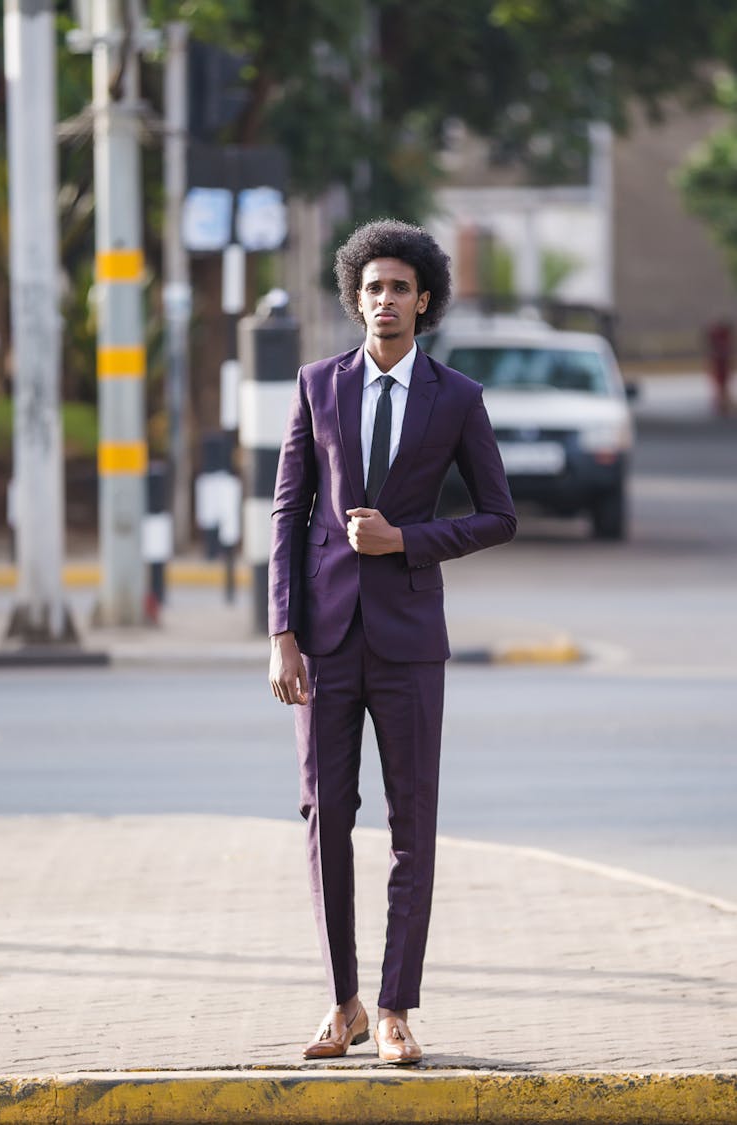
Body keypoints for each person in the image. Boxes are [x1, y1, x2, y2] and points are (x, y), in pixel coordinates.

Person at [268, 219, 516, 1064]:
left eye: (400, 287)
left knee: (414, 823)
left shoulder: (458, 399)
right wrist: (282, 634)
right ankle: (343, 1003)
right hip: (327, 642)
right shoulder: (316, 386)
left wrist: (405, 540)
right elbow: (289, 515)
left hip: (411, 642)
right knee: (325, 815)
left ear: (425, 300)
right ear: (355, 296)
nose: (385, 300)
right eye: (372, 287)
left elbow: (498, 516)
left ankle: (397, 1007)